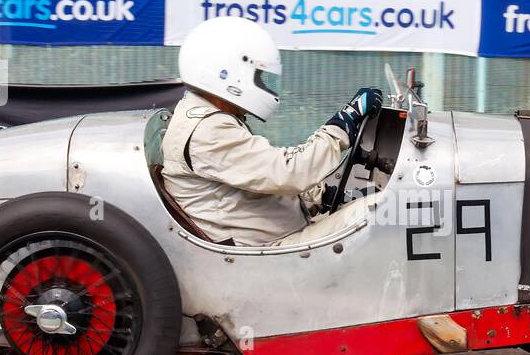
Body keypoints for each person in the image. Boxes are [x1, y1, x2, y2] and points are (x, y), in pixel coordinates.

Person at [160, 16, 384, 247]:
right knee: (386, 209)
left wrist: (322, 197)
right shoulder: (207, 130)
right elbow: (287, 173)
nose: (262, 85)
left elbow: (254, 183)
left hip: (273, 238)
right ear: (225, 73)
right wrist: (344, 123)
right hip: (268, 251)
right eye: (256, 76)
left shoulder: (203, 117)